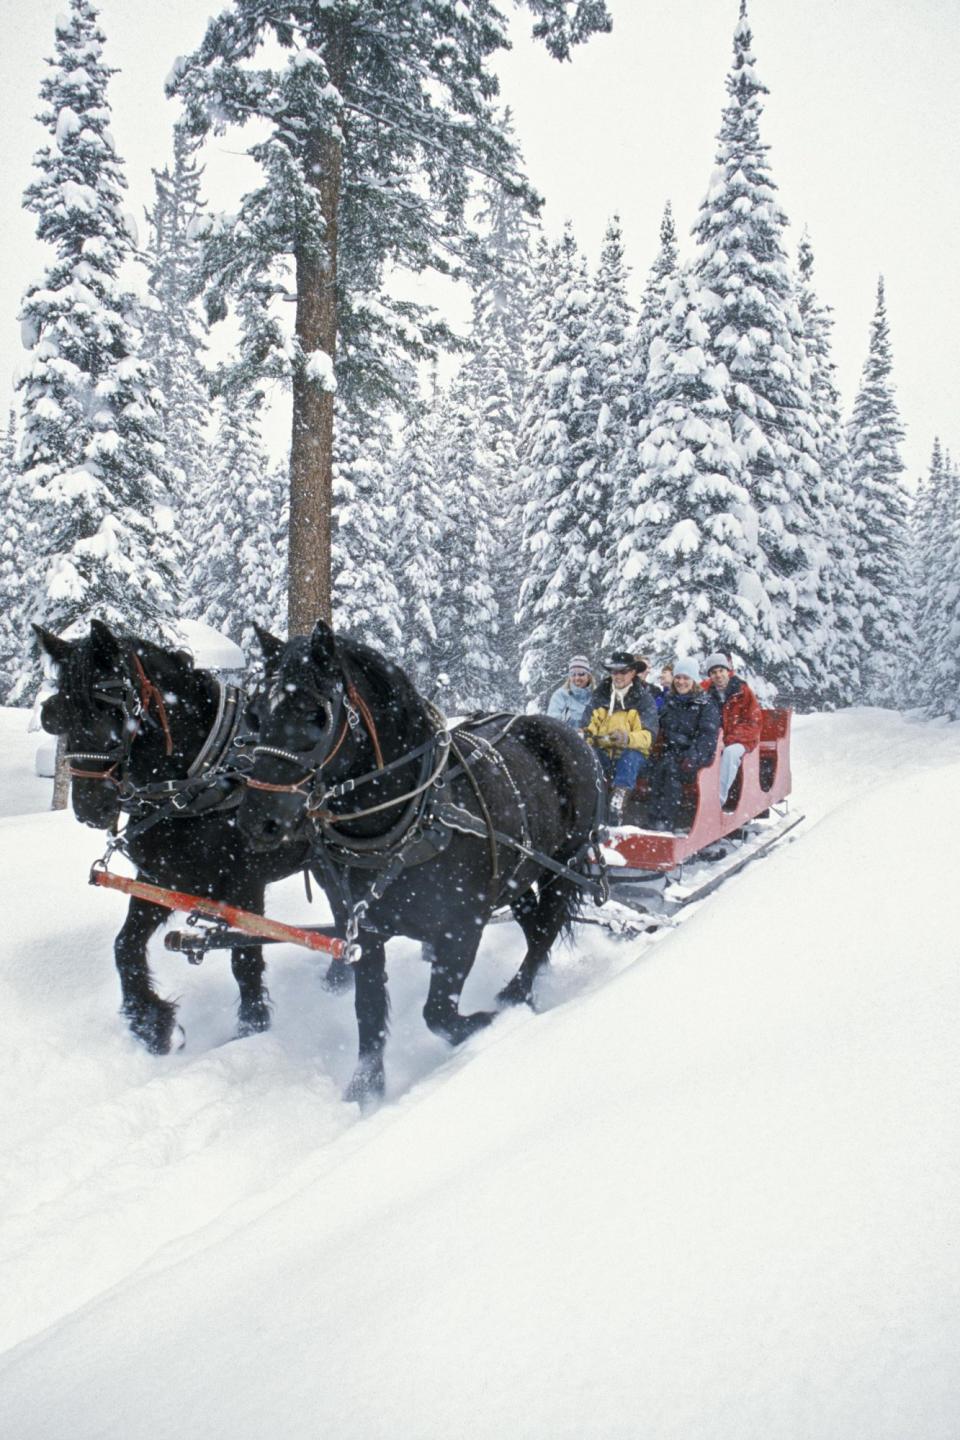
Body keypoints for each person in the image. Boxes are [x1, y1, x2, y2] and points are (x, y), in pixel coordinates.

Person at [646, 659, 721, 832]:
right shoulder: (670, 702)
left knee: (671, 770)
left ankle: (665, 819)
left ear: (694, 680)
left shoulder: (705, 704)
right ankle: (650, 817)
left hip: (696, 755)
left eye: (686, 678)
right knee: (656, 768)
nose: (681, 682)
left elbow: (707, 736)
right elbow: (659, 726)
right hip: (672, 751)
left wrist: (692, 756)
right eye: (678, 677)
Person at [584, 650, 659, 821]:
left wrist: (627, 739)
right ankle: (592, 806)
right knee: (590, 757)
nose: (618, 676)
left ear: (633, 673)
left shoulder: (644, 700)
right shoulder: (599, 697)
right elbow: (587, 728)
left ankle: (617, 802)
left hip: (633, 757)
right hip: (603, 752)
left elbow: (648, 736)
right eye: (614, 671)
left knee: (630, 757)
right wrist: (594, 737)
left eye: (623, 672)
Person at [702, 651, 763, 804]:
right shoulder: (706, 693)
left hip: (740, 740)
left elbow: (753, 722)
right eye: (714, 672)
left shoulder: (743, 692)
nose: (718, 675)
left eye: (721, 671)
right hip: (715, 739)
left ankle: (718, 800)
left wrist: (729, 739)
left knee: (730, 754)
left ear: (728, 671)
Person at [547, 655, 595, 728]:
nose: (577, 678)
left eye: (581, 674)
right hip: (566, 738)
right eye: (573, 674)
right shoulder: (560, 696)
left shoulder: (596, 696)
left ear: (588, 676)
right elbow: (552, 723)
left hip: (592, 739)